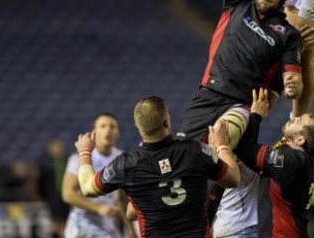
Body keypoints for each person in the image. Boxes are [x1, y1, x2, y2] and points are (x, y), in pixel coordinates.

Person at [176, 0, 314, 220]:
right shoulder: (237, 2)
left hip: (240, 105)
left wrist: (292, 87)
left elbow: (292, 82)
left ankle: (207, 214)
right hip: (207, 94)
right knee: (182, 159)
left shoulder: (287, 35)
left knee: (219, 147)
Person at [74, 95, 240, 238]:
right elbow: (233, 179)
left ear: (138, 127)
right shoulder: (195, 150)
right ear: (167, 122)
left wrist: (85, 152)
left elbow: (88, 188)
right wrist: (221, 145)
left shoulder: (126, 165)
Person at [232, 87, 314, 238]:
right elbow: (302, 100)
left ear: (300, 139)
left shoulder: (290, 160)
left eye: (300, 121)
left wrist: (256, 116)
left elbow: (245, 149)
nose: (296, 118)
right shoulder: (304, 154)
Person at [62, 112, 135, 238]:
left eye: (112, 126)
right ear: (94, 132)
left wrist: (131, 230)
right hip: (82, 227)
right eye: (103, 126)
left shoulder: (122, 159)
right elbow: (68, 194)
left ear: (118, 132)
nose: (108, 130)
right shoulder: (80, 158)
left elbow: (122, 198)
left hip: (108, 228)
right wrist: (98, 208)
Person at [38, 137, 69, 238]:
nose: (59, 148)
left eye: (60, 146)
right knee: (55, 220)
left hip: (66, 195)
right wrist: (42, 195)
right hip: (52, 196)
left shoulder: (68, 160)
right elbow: (41, 181)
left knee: (65, 220)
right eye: (56, 146)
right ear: (50, 148)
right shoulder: (45, 162)